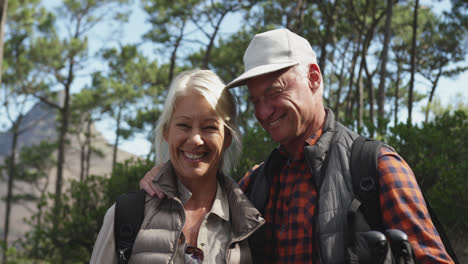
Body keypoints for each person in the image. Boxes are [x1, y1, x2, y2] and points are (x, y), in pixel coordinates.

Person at [140, 29, 454, 264]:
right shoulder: (256, 183)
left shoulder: (376, 167)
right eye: (255, 101)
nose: (264, 112)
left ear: (314, 78)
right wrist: (166, 177)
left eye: (275, 92)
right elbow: (200, 204)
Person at [90, 69, 265, 263]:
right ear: (167, 132)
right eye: (184, 125)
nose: (196, 139)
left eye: (209, 127)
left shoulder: (250, 225)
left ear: (227, 139)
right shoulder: (126, 215)